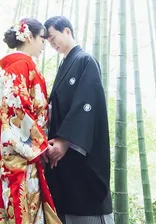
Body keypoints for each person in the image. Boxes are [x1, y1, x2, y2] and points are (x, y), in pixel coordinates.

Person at [0, 17, 61, 224]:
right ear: (29, 37)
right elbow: (17, 112)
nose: (43, 46)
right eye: (42, 40)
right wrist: (41, 146)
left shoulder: (0, 69)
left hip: (0, 157)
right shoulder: (22, 66)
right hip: (18, 159)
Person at [42, 16, 113, 224]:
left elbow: (86, 103)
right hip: (63, 158)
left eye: (53, 37)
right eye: (47, 41)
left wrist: (64, 141)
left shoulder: (85, 61)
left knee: (85, 201)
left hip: (78, 151)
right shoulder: (64, 65)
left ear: (67, 31)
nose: (51, 43)